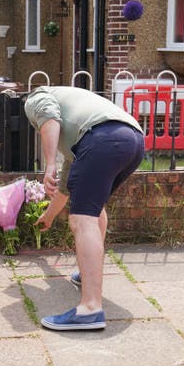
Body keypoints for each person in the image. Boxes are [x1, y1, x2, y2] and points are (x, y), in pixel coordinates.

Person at [24, 86, 145, 331]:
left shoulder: (36, 97)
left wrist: (49, 165)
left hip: (103, 139)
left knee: (82, 220)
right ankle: (88, 274)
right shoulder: (78, 129)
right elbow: (68, 188)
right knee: (92, 208)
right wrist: (48, 216)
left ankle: (90, 308)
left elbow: (48, 115)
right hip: (132, 140)